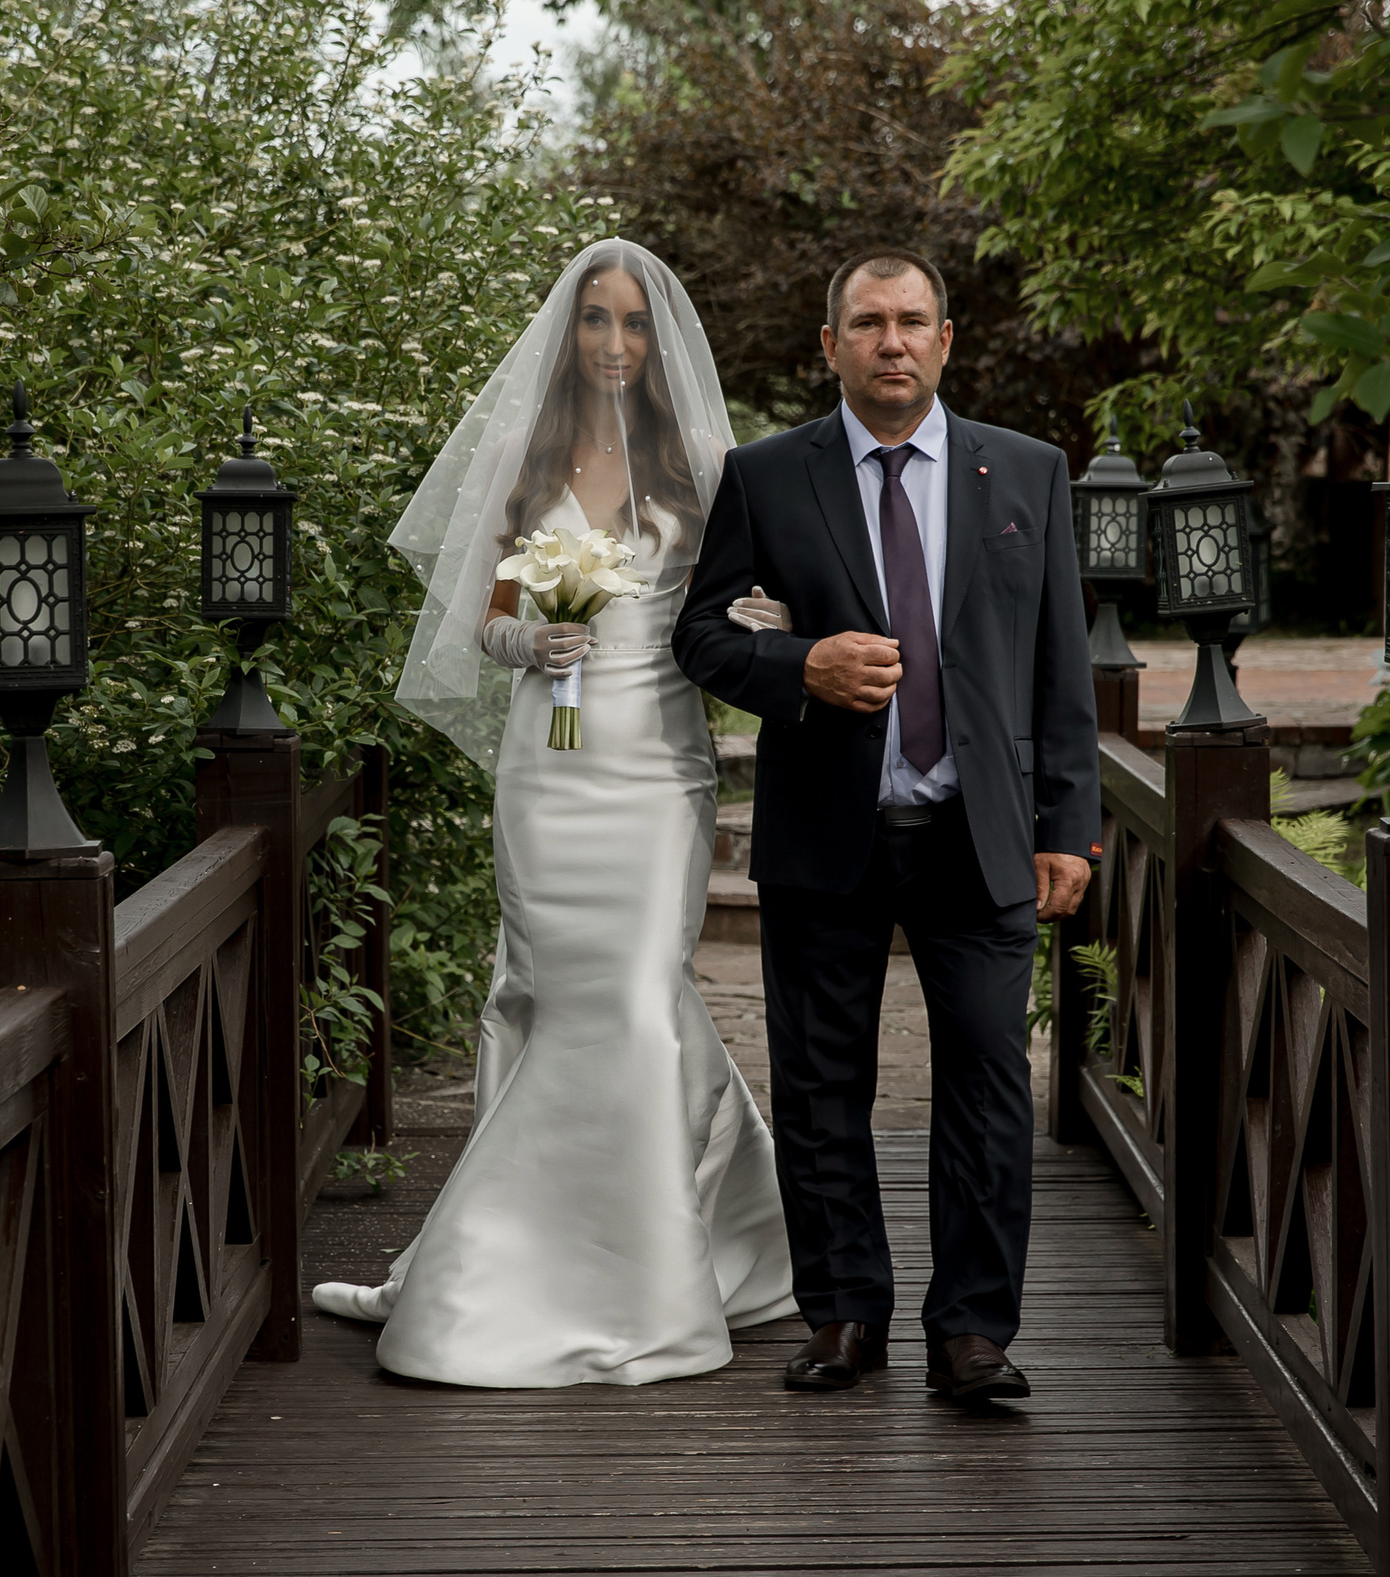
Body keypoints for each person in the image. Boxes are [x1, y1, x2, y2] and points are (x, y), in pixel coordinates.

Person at [315, 240, 798, 1386]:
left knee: (635, 1001)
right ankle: (560, 1256)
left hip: (660, 773)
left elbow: (749, 601)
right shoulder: (524, 460)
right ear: (569, 332)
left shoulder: (707, 467)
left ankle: (658, 1274)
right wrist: (529, 638)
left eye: (633, 323)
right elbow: (482, 619)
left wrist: (770, 618)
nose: (615, 343)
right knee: (558, 1001)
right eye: (595, 321)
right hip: (548, 770)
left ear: (659, 338)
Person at [673, 248, 1099, 1403]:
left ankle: (971, 1333)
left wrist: (1072, 824)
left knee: (985, 1083)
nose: (892, 342)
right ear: (831, 347)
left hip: (982, 831)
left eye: (913, 322)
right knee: (820, 1086)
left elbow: (1062, 665)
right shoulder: (764, 476)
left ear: (947, 339)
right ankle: (843, 1316)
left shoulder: (1026, 472)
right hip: (827, 828)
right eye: (867, 324)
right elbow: (701, 636)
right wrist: (796, 663)